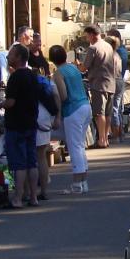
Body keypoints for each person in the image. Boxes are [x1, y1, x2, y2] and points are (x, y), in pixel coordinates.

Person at [0, 44, 52, 208]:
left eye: (11, 55)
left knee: (19, 163)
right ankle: (33, 197)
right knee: (31, 161)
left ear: (19, 57)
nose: (8, 57)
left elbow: (11, 102)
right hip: (30, 123)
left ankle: (18, 197)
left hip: (16, 124)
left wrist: (1, 103)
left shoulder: (15, 77)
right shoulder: (32, 75)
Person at [50, 44, 91, 194]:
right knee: (79, 145)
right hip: (85, 106)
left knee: (75, 147)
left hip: (72, 109)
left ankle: (76, 183)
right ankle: (83, 181)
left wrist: (57, 113)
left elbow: (63, 95)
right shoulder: (73, 68)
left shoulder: (58, 73)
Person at [81, 25, 117, 148]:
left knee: (99, 113)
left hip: (98, 83)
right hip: (111, 83)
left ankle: (101, 139)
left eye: (87, 36)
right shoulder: (108, 46)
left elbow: (84, 67)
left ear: (91, 35)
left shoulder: (93, 48)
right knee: (108, 113)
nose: (87, 39)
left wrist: (77, 65)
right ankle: (106, 138)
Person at [34, 67, 60, 203]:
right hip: (46, 118)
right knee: (42, 157)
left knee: (31, 159)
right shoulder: (47, 82)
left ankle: (29, 193)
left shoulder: (27, 80)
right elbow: (56, 96)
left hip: (34, 119)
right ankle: (44, 191)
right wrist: (57, 116)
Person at [107, 28, 129, 142]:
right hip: (120, 79)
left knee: (113, 108)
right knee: (118, 108)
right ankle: (121, 133)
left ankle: (116, 134)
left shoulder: (114, 54)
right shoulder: (122, 52)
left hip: (115, 80)